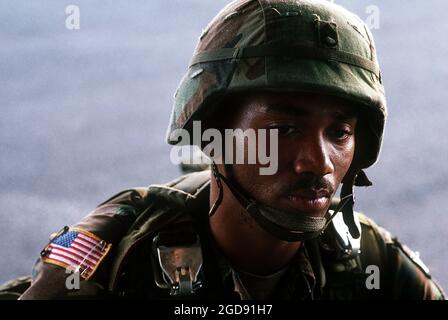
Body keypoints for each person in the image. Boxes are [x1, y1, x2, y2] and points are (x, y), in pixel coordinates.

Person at [2, 0, 444, 300]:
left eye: (340, 133)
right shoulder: (121, 252)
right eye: (285, 127)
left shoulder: (368, 262)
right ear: (215, 131)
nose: (319, 162)